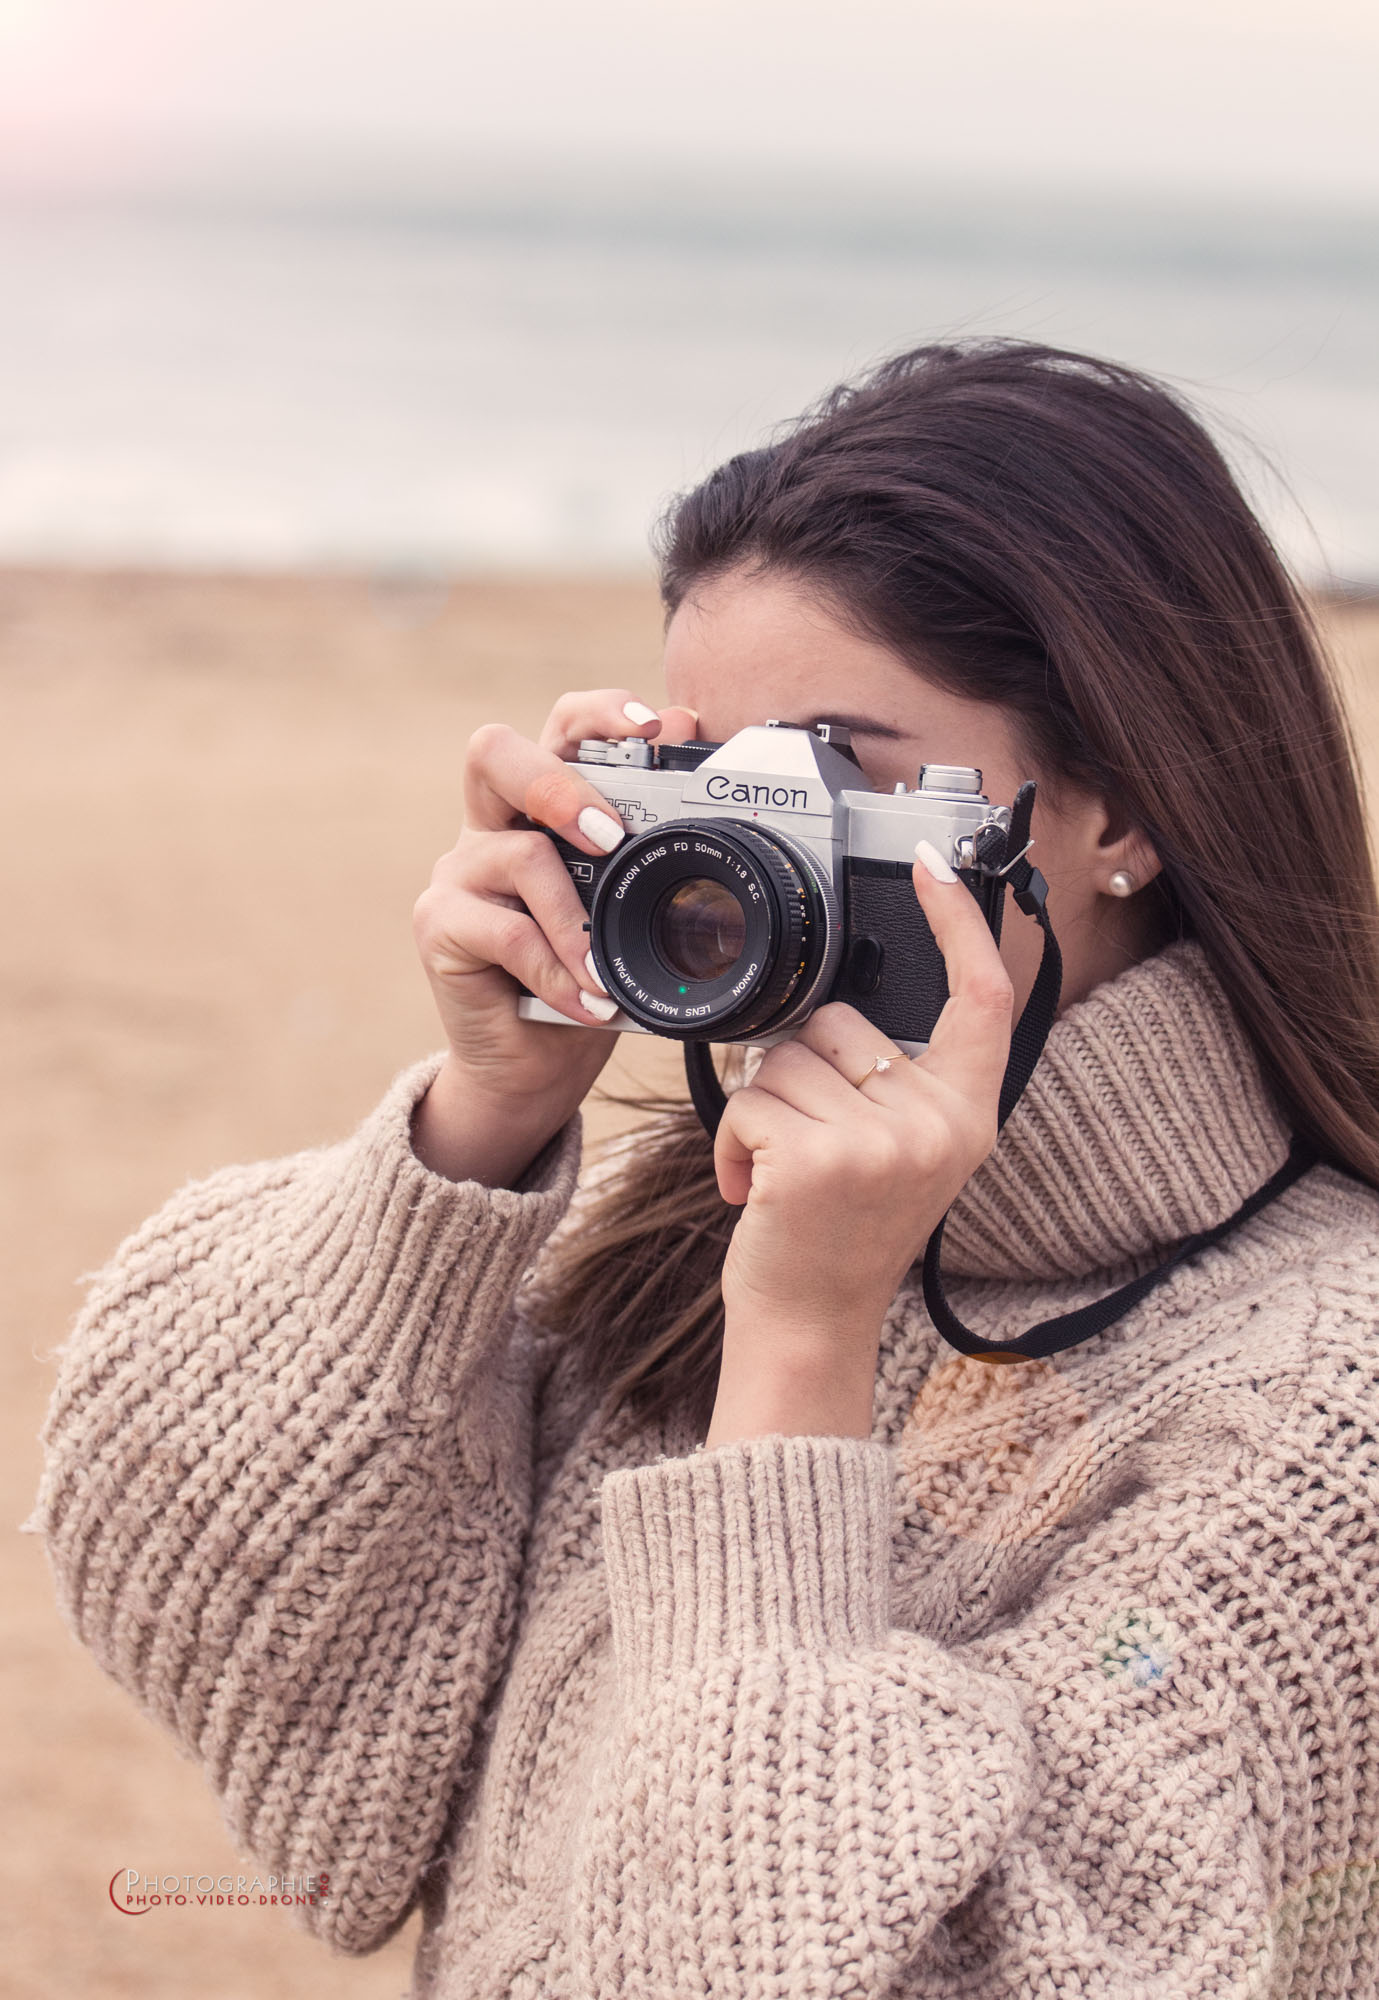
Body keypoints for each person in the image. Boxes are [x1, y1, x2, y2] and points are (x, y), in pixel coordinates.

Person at [29, 340, 1379, 1997]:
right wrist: (482, 1125)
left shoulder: (1325, 1401)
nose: (748, 861)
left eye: (841, 781)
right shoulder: (685, 1226)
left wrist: (803, 1349)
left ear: (1123, 814)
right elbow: (193, 1563)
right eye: (716, 784)